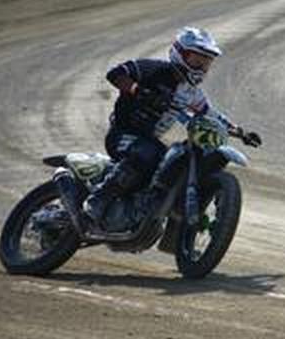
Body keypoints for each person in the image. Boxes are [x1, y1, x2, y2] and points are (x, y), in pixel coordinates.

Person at [83, 26, 261, 225]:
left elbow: (212, 115)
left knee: (170, 161)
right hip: (122, 134)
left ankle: (143, 208)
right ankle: (97, 200)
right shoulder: (154, 70)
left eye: (206, 62)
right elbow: (116, 74)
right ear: (180, 54)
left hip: (149, 140)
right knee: (148, 154)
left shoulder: (191, 93)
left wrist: (241, 133)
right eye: (197, 60)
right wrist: (140, 91)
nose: (201, 67)